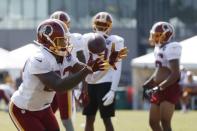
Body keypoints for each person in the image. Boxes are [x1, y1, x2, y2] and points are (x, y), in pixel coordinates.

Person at [8, 19, 107, 131]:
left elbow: (90, 76)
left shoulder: (65, 56)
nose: (65, 44)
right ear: (48, 40)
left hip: (44, 108)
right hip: (24, 109)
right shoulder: (39, 58)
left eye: (66, 40)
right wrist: (86, 70)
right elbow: (59, 86)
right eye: (61, 41)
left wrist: (107, 65)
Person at [82, 12, 128, 131]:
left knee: (106, 119)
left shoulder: (115, 41)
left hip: (105, 83)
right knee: (89, 119)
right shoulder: (86, 38)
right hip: (90, 83)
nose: (101, 28)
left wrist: (113, 90)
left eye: (104, 25)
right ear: (94, 25)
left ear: (109, 26)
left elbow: (117, 67)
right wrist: (81, 86)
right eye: (99, 24)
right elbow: (81, 64)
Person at [50, 11, 86, 131]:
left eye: (61, 24)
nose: (59, 27)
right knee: (46, 114)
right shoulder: (47, 39)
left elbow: (82, 61)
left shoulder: (75, 38)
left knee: (65, 118)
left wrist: (81, 85)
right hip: (49, 82)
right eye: (56, 24)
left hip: (64, 81)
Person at [143, 21, 182, 131]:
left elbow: (175, 73)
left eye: (157, 35)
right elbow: (159, 70)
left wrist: (160, 87)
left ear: (167, 35)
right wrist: (150, 81)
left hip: (169, 87)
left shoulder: (172, 47)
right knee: (153, 122)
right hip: (158, 87)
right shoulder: (158, 48)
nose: (154, 37)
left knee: (165, 121)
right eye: (154, 35)